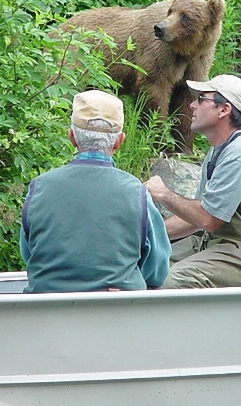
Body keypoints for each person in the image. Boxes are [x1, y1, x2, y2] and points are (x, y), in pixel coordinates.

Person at [144, 74, 241, 287]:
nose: (192, 105)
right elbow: (194, 218)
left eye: (201, 99)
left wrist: (163, 194)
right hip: (220, 246)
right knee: (146, 266)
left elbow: (208, 220)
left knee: (169, 281)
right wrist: (148, 236)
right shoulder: (220, 151)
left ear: (224, 109)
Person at [21, 90, 171, 292]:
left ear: (72, 137)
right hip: (116, 310)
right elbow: (157, 270)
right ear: (119, 141)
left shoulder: (39, 187)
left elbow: (29, 254)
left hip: (46, 310)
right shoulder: (137, 192)